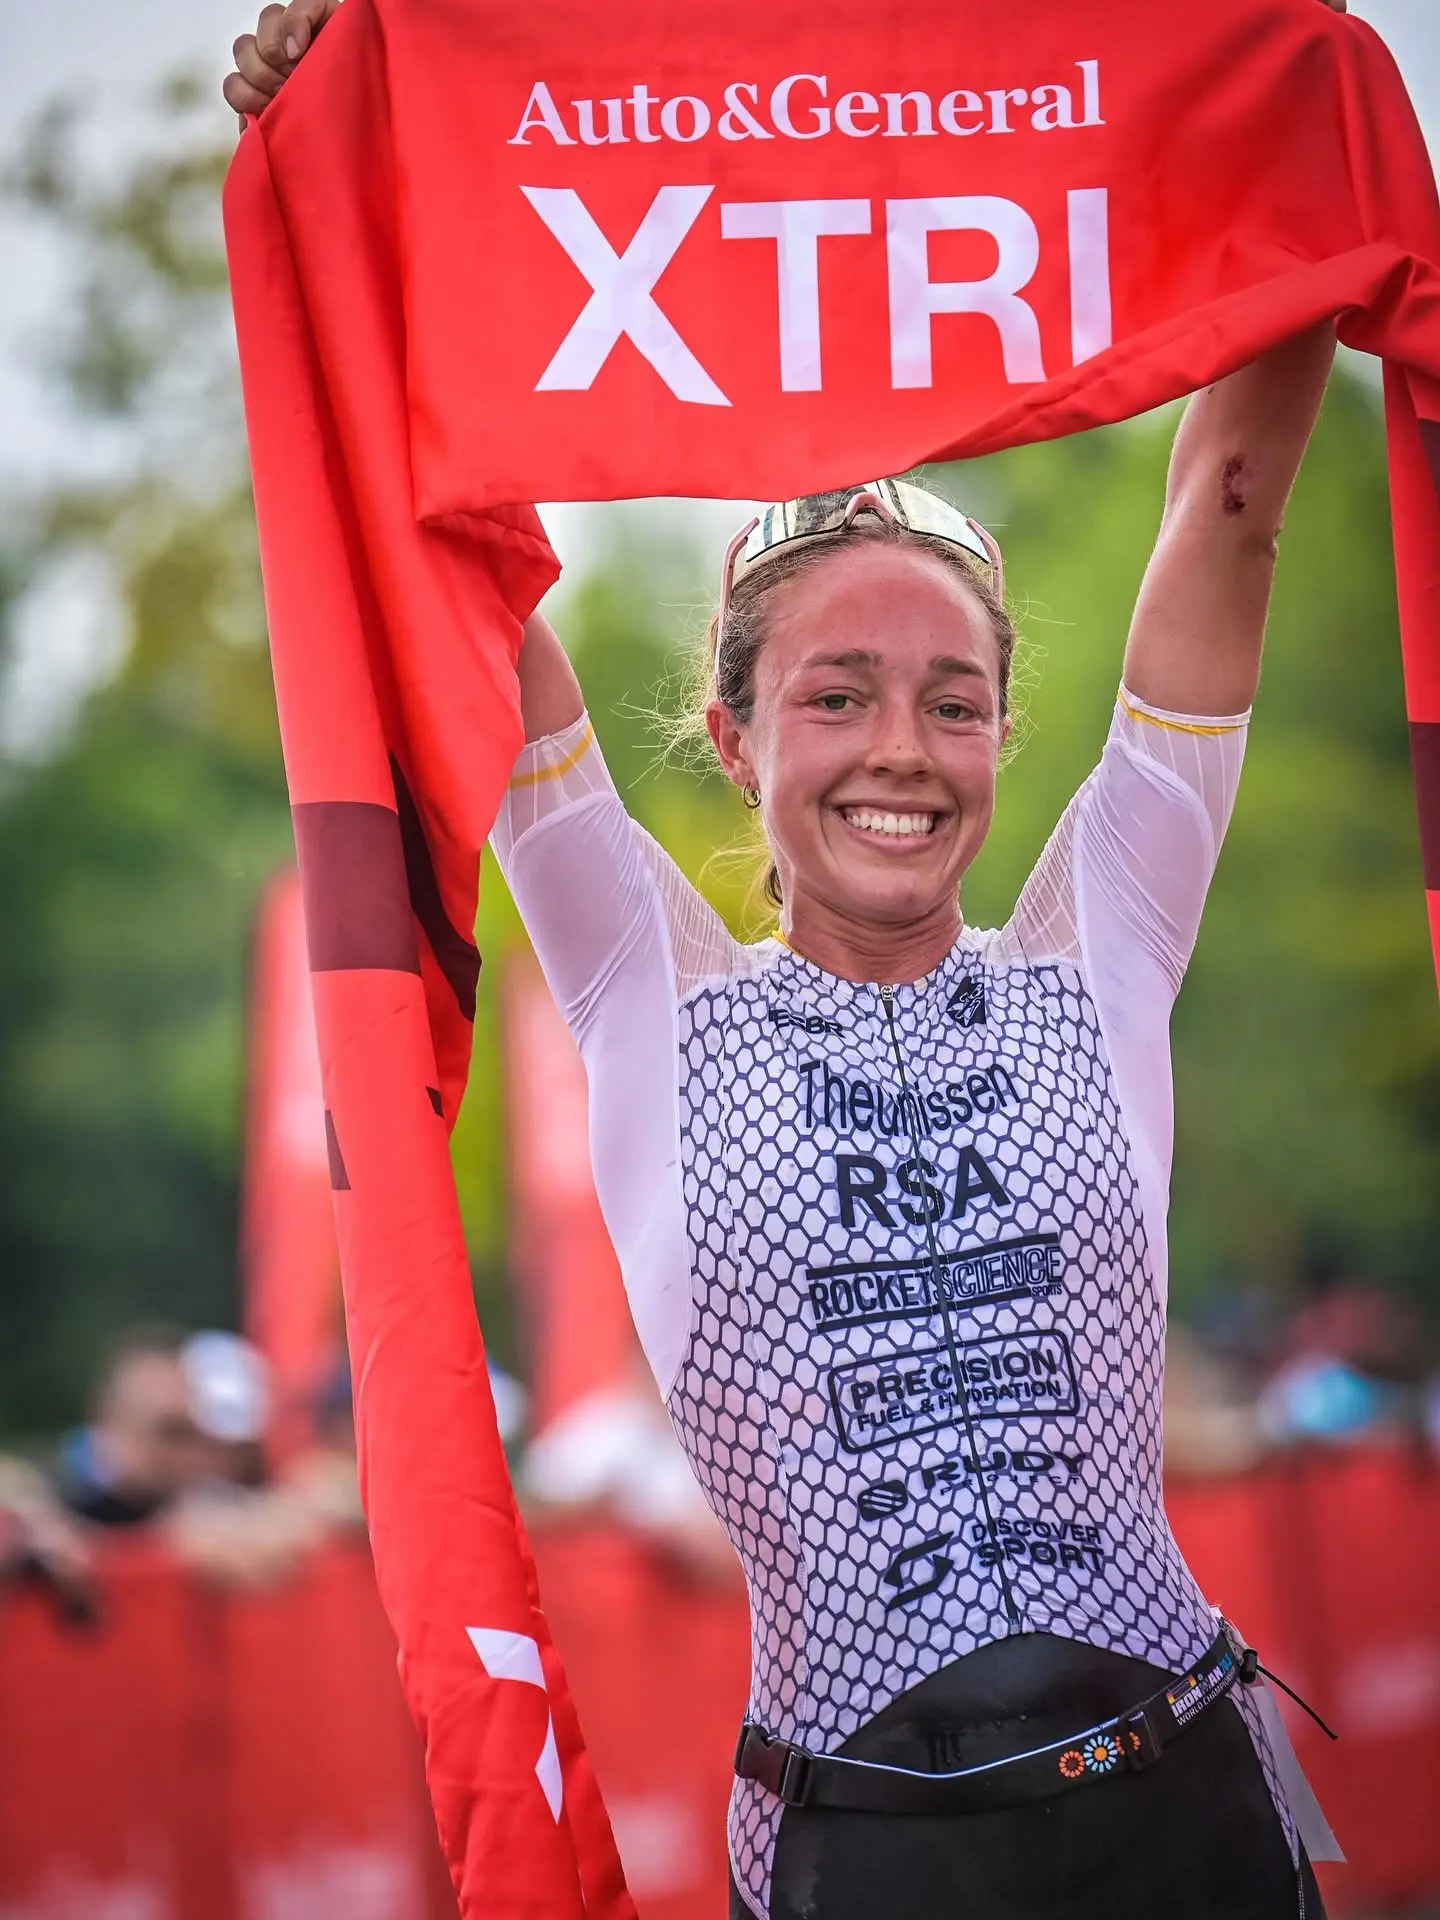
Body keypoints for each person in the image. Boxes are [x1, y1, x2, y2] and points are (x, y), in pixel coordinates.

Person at [223, 6, 1348, 1915]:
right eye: (839, 696)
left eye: (954, 701)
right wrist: (363, 174)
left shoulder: (1107, 937)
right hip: (867, 1845)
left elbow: (1228, 503)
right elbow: (455, 564)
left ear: (1004, 730)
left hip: (1187, 1816)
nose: (903, 751)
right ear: (739, 738)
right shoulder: (653, 988)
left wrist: (1292, 139)